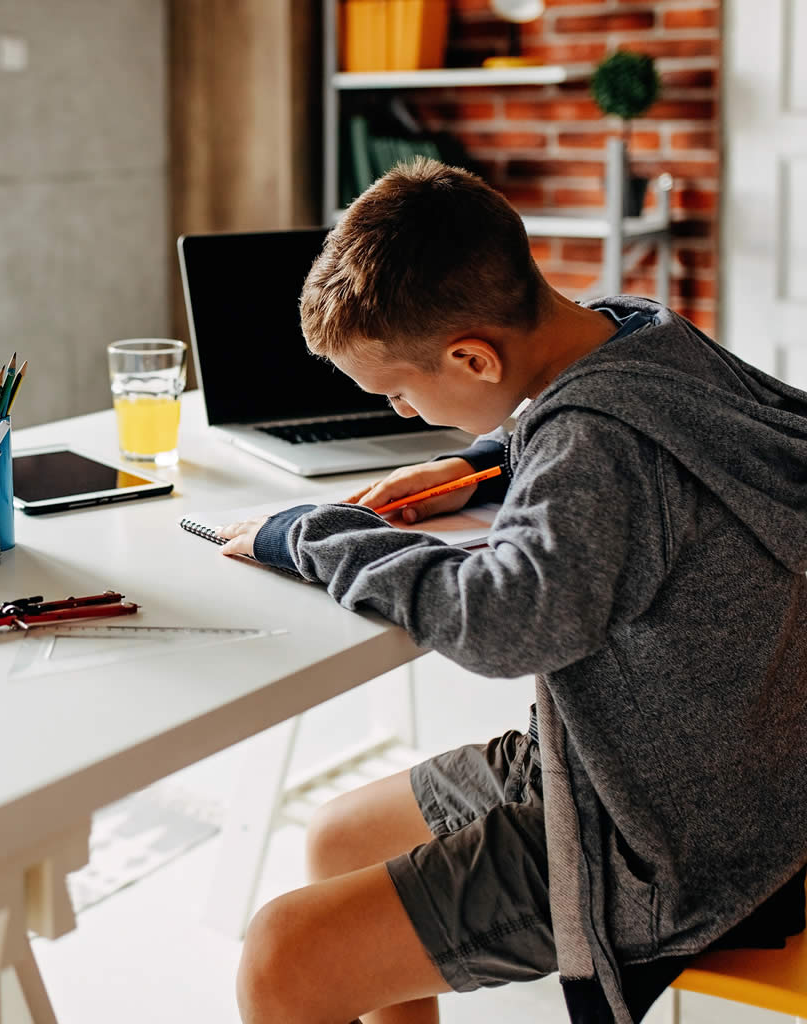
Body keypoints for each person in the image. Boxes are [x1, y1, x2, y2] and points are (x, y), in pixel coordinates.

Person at [217, 158, 807, 1024]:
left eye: (400, 393)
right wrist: (484, 461)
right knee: (337, 837)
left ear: (470, 356)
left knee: (281, 962)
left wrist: (309, 535)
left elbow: (507, 617)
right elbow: (621, 437)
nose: (405, 415)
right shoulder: (644, 334)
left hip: (666, 842)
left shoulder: (590, 446)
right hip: (725, 774)